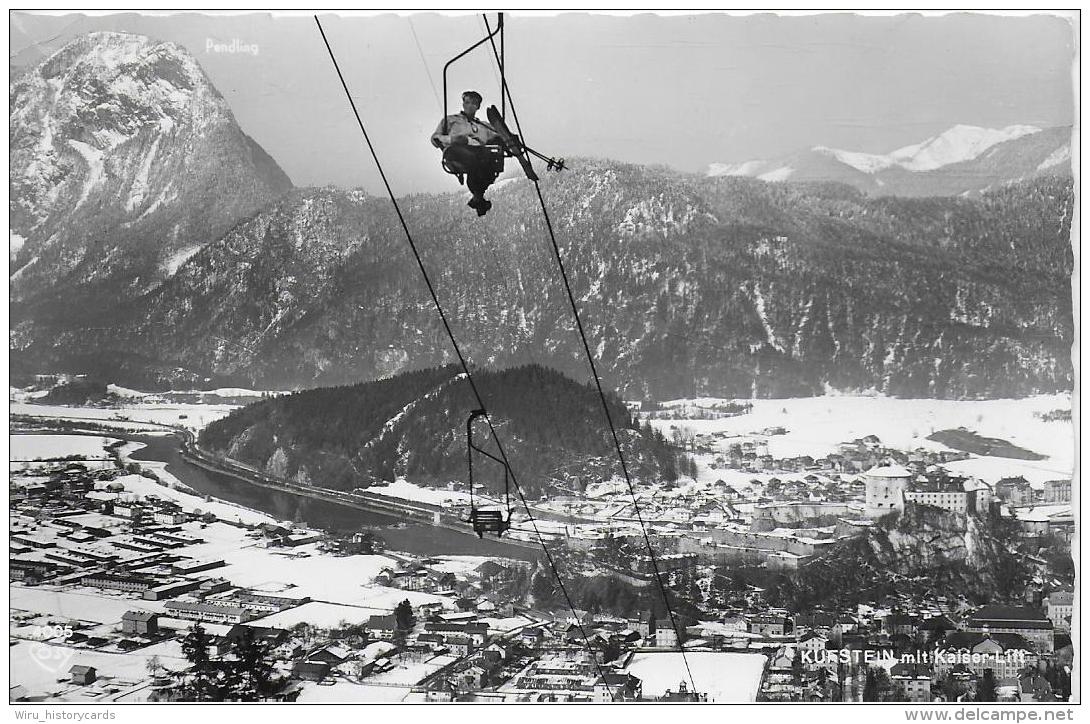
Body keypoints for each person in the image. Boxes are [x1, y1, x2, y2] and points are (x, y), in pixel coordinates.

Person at [431, 90, 504, 216]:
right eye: (468, 102)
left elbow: (500, 136)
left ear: (478, 106)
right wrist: (451, 140)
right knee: (477, 157)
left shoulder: (483, 126)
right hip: (457, 151)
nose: (470, 106)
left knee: (487, 159)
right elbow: (435, 138)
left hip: (478, 154)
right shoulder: (451, 120)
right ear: (463, 104)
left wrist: (506, 140)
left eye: (474, 103)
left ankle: (478, 198)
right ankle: (478, 197)